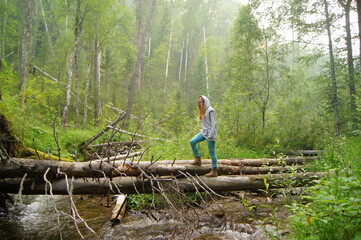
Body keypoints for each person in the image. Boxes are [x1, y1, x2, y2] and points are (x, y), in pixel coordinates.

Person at [189, 95, 218, 177]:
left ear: (205, 102)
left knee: (212, 152)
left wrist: (211, 135)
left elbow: (213, 124)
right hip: (204, 132)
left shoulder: (210, 110)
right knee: (192, 141)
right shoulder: (202, 110)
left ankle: (214, 170)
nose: (200, 104)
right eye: (198, 103)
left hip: (211, 133)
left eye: (201, 102)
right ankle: (198, 159)